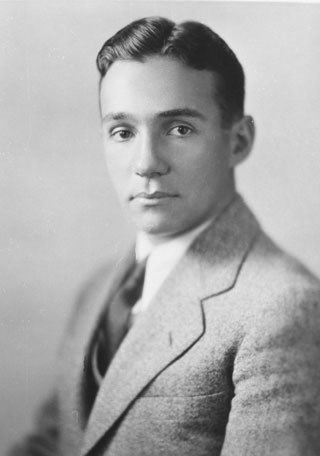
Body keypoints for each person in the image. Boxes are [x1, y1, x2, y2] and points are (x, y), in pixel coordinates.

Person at [9, 16, 320, 456]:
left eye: (179, 129)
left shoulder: (283, 308)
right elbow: (54, 443)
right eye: (123, 132)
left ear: (239, 141)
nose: (147, 162)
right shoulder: (100, 288)